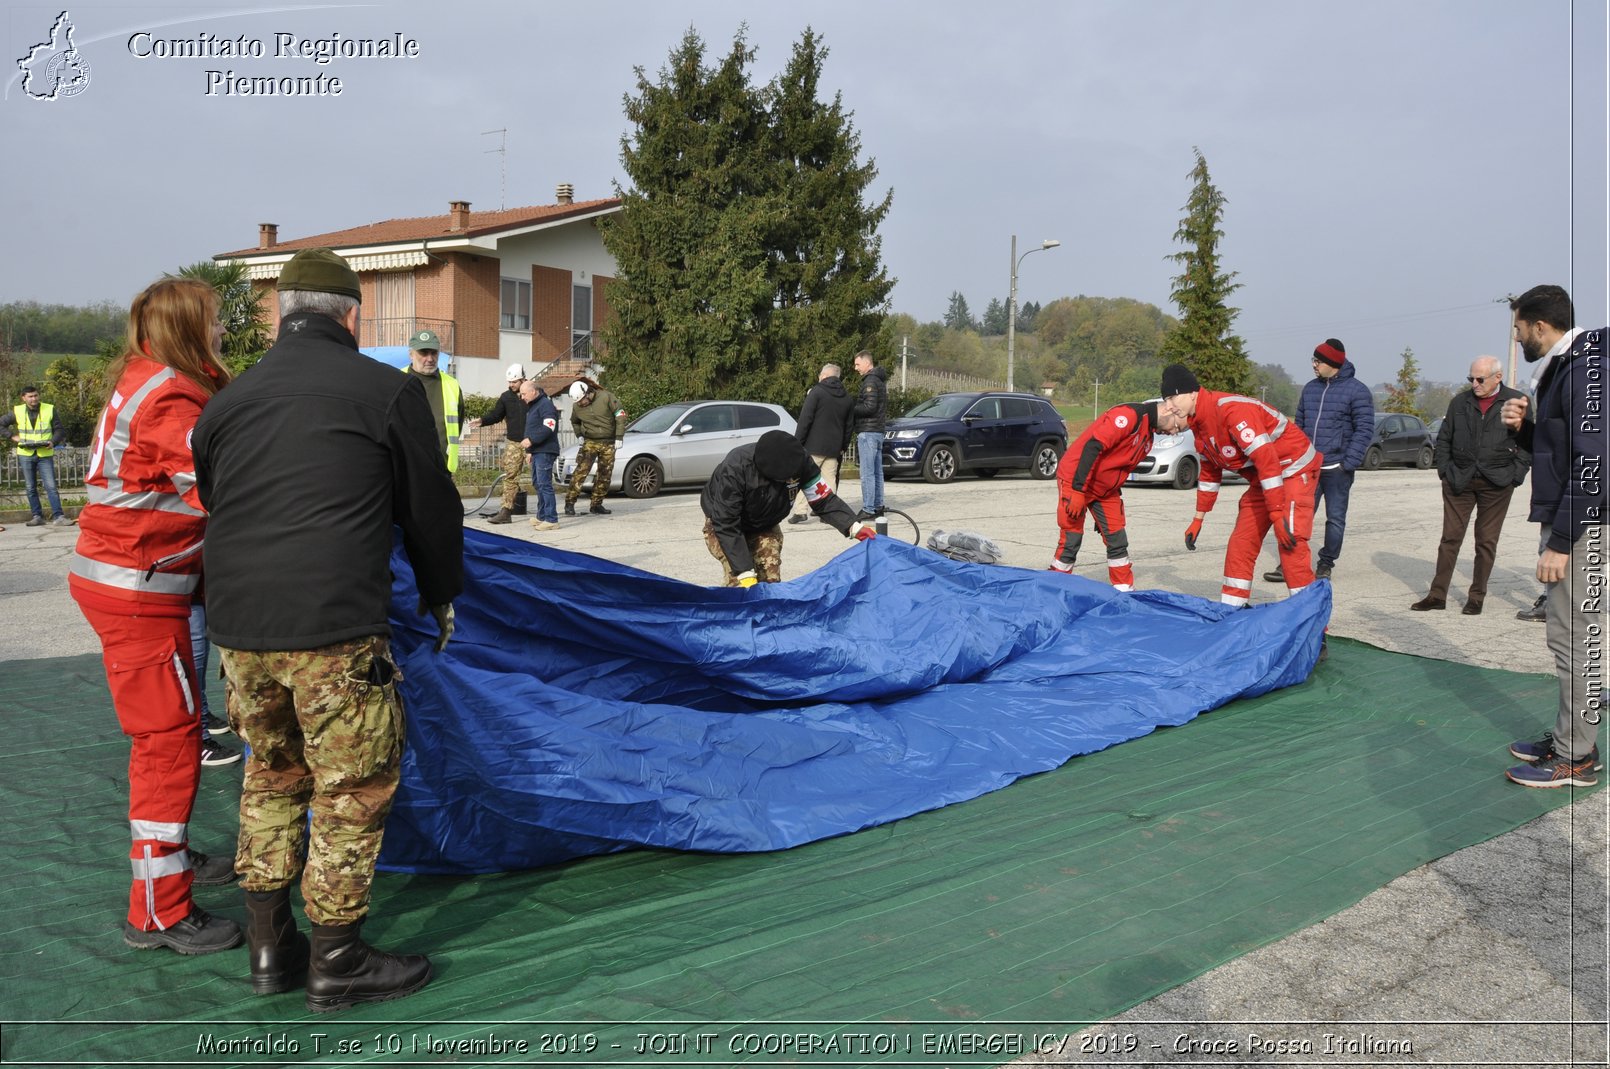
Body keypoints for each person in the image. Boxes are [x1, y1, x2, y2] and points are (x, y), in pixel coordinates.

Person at [192, 248, 464, 1008]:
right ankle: (338, 957)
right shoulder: (388, 391)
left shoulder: (227, 403)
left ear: (281, 313)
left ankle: (270, 946)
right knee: (351, 785)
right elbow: (431, 508)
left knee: (271, 772)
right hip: (333, 631)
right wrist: (442, 594)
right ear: (353, 315)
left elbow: (222, 500)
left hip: (241, 633)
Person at [67, 277, 241, 955]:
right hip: (140, 593)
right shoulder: (171, 394)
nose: (224, 331)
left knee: (166, 735)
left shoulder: (145, 374)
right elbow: (218, 486)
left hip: (129, 583)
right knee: (169, 743)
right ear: (189, 329)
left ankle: (168, 862)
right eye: (216, 321)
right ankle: (160, 910)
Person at [1500, 285, 1604, 788]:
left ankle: (1577, 758)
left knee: (1575, 638)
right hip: (1572, 518)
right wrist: (1526, 431)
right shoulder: (1567, 366)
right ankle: (1573, 736)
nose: (1517, 338)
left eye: (1518, 329)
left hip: (1581, 525)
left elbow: (1594, 463)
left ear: (1540, 326)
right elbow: (1564, 448)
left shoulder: (1586, 369)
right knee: (1567, 636)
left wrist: (1561, 540)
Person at [1160, 364, 1321, 605]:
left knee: (1291, 546)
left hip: (1294, 469)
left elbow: (1267, 461)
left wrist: (1277, 514)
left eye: (1172, 397)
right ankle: (1232, 611)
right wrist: (1198, 518)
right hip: (1264, 479)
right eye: (1166, 399)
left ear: (1192, 392)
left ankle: (1311, 621)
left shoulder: (1231, 411)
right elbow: (1210, 473)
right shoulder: (1199, 425)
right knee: (1241, 543)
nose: (1169, 405)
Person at [1409, 355, 1531, 616]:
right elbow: (1444, 439)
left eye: (1480, 379)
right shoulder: (1459, 403)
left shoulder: (1517, 402)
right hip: (1459, 480)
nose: (1474, 384)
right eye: (1471, 379)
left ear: (1498, 377)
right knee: (1450, 538)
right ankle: (1437, 595)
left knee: (1486, 541)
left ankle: (1476, 597)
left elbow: (1529, 443)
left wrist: (1516, 475)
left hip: (1497, 482)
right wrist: (1444, 470)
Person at [701, 429, 875, 587]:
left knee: (770, 579)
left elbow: (823, 499)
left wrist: (854, 526)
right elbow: (726, 522)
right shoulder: (737, 467)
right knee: (740, 584)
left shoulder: (801, 461)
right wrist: (745, 572)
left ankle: (770, 617)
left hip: (763, 524)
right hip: (723, 525)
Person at [1264, 339, 1373, 583]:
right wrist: (1293, 457)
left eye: (1318, 361)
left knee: (1335, 518)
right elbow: (1299, 426)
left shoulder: (1358, 391)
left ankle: (1326, 564)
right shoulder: (1310, 389)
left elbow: (1364, 430)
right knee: (1298, 516)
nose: (1314, 365)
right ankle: (1289, 563)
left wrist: (1349, 462)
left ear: (1333, 363)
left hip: (1337, 469)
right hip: (1307, 467)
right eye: (1313, 360)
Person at [1048, 398, 1186, 588]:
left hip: (1105, 490)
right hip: (1077, 479)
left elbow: (1118, 467)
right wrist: (1079, 490)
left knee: (1117, 538)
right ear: (1169, 410)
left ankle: (1123, 591)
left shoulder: (1148, 436)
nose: (1172, 433)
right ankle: (1054, 586)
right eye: (1177, 427)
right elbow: (1093, 447)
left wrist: (1102, 512)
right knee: (1071, 539)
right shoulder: (1129, 416)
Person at [788, 362, 856, 525]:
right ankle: (829, 513)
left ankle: (800, 511)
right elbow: (849, 426)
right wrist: (843, 446)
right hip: (834, 448)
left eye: (820, 374)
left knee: (806, 477)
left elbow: (805, 420)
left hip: (814, 445)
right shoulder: (846, 397)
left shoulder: (817, 392)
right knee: (829, 480)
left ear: (825, 376)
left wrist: (797, 442)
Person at [464, 363, 529, 524]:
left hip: (534, 442)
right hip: (515, 442)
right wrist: (482, 420)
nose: (511, 385)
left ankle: (545, 512)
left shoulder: (532, 393)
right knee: (510, 477)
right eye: (509, 382)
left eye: (514, 382)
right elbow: (496, 415)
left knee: (540, 478)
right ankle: (506, 512)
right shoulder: (506, 397)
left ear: (523, 379)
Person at [3, 385, 72, 526]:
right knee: (30, 487)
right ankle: (37, 516)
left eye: (35, 395)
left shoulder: (49, 409)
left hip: (44, 453)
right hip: (26, 453)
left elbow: (59, 430)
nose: (34, 398)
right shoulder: (17, 411)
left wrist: (53, 441)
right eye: (30, 396)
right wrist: (11, 436)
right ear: (23, 398)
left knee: (51, 486)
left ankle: (59, 517)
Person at [402, 328, 465, 474]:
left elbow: (457, 424)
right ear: (411, 354)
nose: (430, 359)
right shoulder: (395, 380)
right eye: (423, 353)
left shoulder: (452, 385)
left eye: (434, 352)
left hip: (442, 468)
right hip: (406, 469)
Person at [563, 376, 627, 516]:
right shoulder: (577, 406)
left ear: (588, 394)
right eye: (578, 402)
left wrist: (619, 436)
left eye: (582, 401)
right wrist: (579, 434)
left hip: (609, 442)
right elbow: (574, 421)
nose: (581, 404)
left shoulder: (606, 397)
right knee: (581, 472)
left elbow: (620, 415)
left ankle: (597, 504)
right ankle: (570, 503)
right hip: (590, 441)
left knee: (605, 474)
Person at [190, 600, 241, 767]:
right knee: (192, 649)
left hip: (194, 591)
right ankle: (197, 739)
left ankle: (202, 716)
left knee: (200, 640)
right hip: (167, 593)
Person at [850, 350, 889, 521]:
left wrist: (851, 406)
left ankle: (868, 508)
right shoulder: (879, 380)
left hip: (868, 432)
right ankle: (878, 506)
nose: (855, 368)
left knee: (867, 473)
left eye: (858, 364)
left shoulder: (870, 382)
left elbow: (869, 407)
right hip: (877, 431)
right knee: (876, 472)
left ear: (867, 363)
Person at [519, 378, 560, 531]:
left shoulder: (545, 405)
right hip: (537, 451)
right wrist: (529, 451)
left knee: (545, 485)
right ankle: (541, 516)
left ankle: (551, 519)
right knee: (537, 484)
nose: (522, 397)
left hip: (545, 450)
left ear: (533, 391)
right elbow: (533, 427)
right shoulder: (534, 406)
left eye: (524, 394)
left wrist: (531, 440)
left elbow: (549, 427)